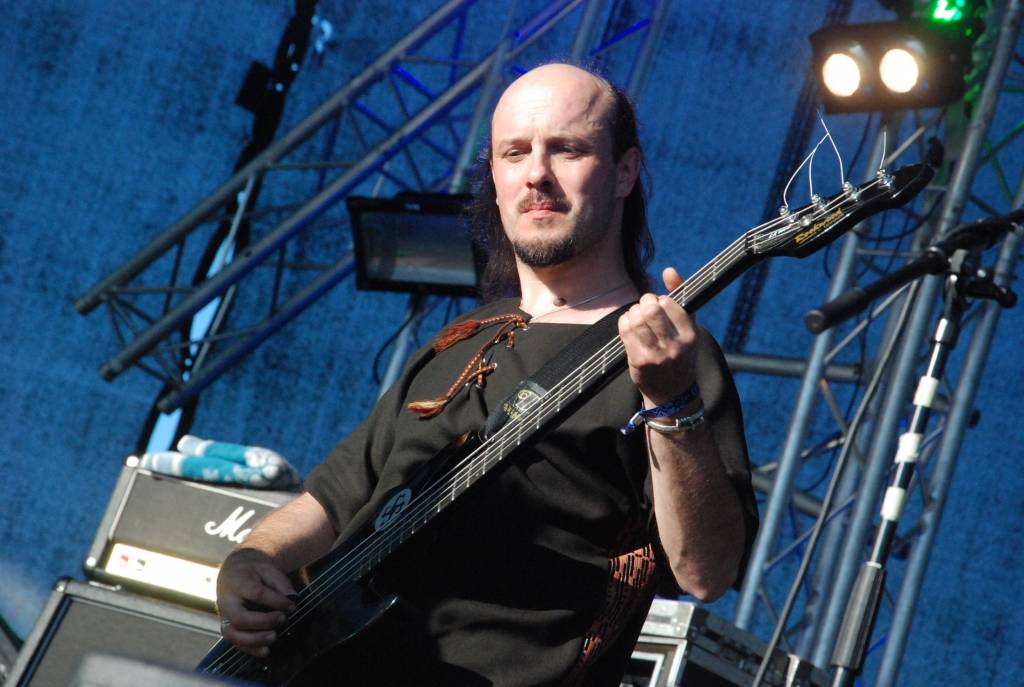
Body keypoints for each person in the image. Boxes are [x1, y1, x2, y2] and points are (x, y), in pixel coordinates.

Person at [214, 62, 758, 685]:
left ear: (625, 172)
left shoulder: (668, 354)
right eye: (514, 153)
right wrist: (254, 558)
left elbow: (706, 573)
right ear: (495, 179)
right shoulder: (463, 336)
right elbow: (333, 498)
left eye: (568, 149)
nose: (536, 174)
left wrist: (672, 403)